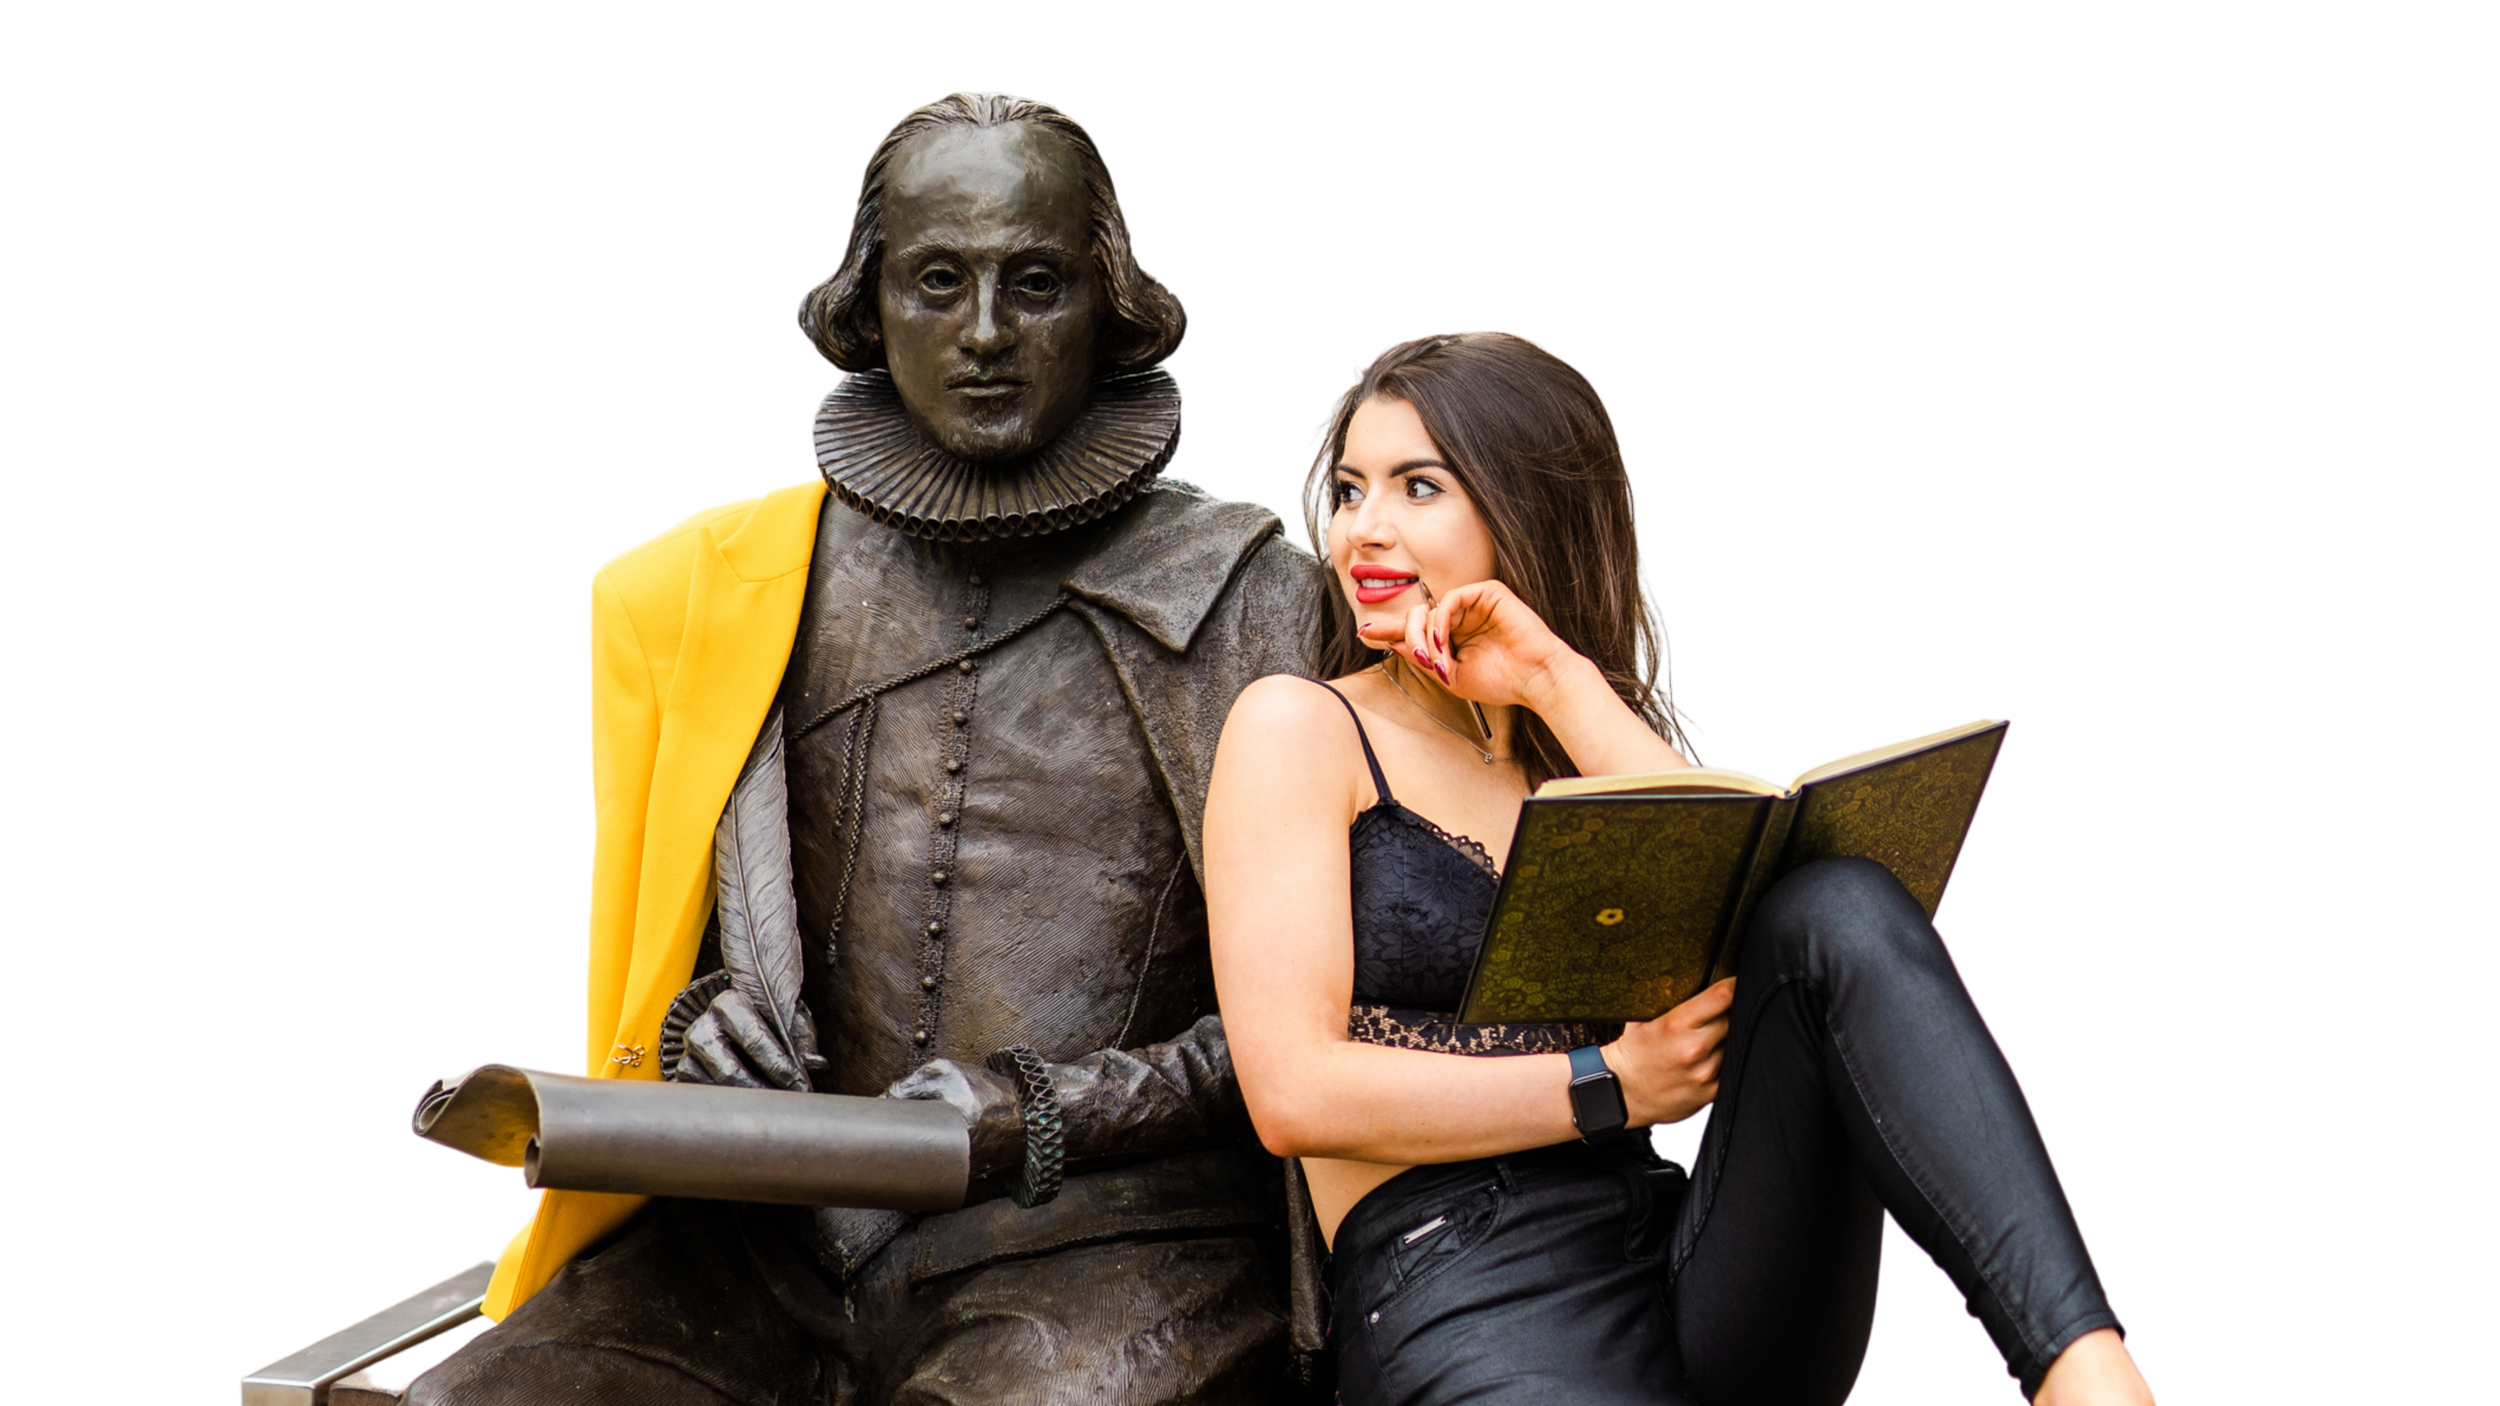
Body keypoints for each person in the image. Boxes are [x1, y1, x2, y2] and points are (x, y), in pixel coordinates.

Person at [415, 92, 1327, 1406]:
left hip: (1109, 1233)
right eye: (938, 283)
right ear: (868, 305)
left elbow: (1316, 1011)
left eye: (1038, 284)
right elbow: (707, 930)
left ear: (1116, 310)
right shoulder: (738, 580)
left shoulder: (1253, 592)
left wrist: (1043, 1114)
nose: (987, 337)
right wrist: (703, 1024)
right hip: (764, 1231)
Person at [1205, 330, 2164, 1405]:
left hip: (1682, 1259)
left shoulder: (1568, 734)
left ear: (1522, 512)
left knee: (1829, 899)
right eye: (1347, 488)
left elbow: (1751, 911)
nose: (1360, 530)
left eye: (1416, 486)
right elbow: (1291, 1090)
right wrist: (1606, 1085)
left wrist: (1555, 678)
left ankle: (2086, 1372)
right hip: (1462, 1278)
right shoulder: (1300, 725)